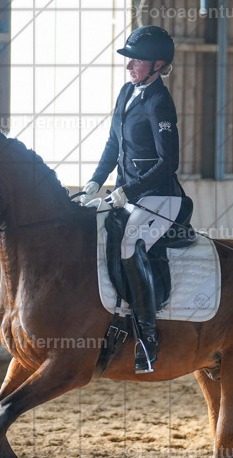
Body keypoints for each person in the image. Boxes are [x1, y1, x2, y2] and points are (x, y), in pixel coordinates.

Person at [80, 25, 187, 374]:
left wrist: (129, 190)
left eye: (137, 62)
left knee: (129, 244)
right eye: (129, 61)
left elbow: (168, 162)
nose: (129, 67)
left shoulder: (160, 101)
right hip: (127, 194)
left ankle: (147, 336)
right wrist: (96, 181)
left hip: (159, 198)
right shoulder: (127, 93)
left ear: (158, 65)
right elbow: (114, 144)